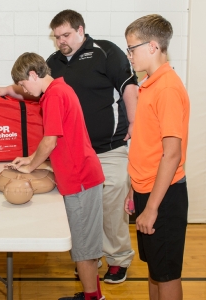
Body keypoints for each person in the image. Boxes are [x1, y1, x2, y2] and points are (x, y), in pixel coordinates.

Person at [0, 9, 138, 283]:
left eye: (66, 34)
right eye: (56, 36)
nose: (61, 41)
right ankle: (88, 262)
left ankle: (115, 259)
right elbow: (30, 85)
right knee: (86, 218)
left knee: (110, 207)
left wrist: (134, 123)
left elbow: (129, 86)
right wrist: (6, 89)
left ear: (81, 30)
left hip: (107, 147)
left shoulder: (105, 52)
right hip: (76, 153)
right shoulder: (53, 65)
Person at [7, 52, 105, 300]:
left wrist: (30, 168)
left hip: (80, 178)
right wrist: (31, 158)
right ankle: (92, 294)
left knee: (83, 248)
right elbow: (57, 138)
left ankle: (93, 297)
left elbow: (50, 142)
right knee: (86, 245)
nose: (25, 90)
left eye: (23, 84)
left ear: (32, 74)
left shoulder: (53, 95)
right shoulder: (60, 89)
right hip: (82, 174)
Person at [124, 15, 189, 300]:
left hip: (163, 196)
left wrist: (151, 208)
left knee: (167, 275)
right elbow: (145, 145)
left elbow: (171, 154)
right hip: (146, 191)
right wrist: (132, 188)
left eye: (131, 48)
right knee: (154, 270)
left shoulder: (168, 88)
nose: (129, 55)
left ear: (152, 46)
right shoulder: (149, 84)